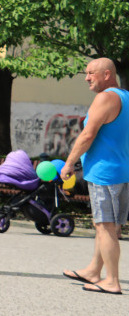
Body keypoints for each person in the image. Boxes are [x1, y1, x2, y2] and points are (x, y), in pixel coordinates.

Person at [60, 57, 129, 295]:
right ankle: (93, 270)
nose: (87, 78)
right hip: (120, 171)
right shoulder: (126, 98)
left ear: (107, 74)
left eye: (91, 73)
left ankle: (111, 281)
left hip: (104, 174)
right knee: (107, 225)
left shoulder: (105, 97)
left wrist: (69, 163)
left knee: (105, 226)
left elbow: (88, 135)